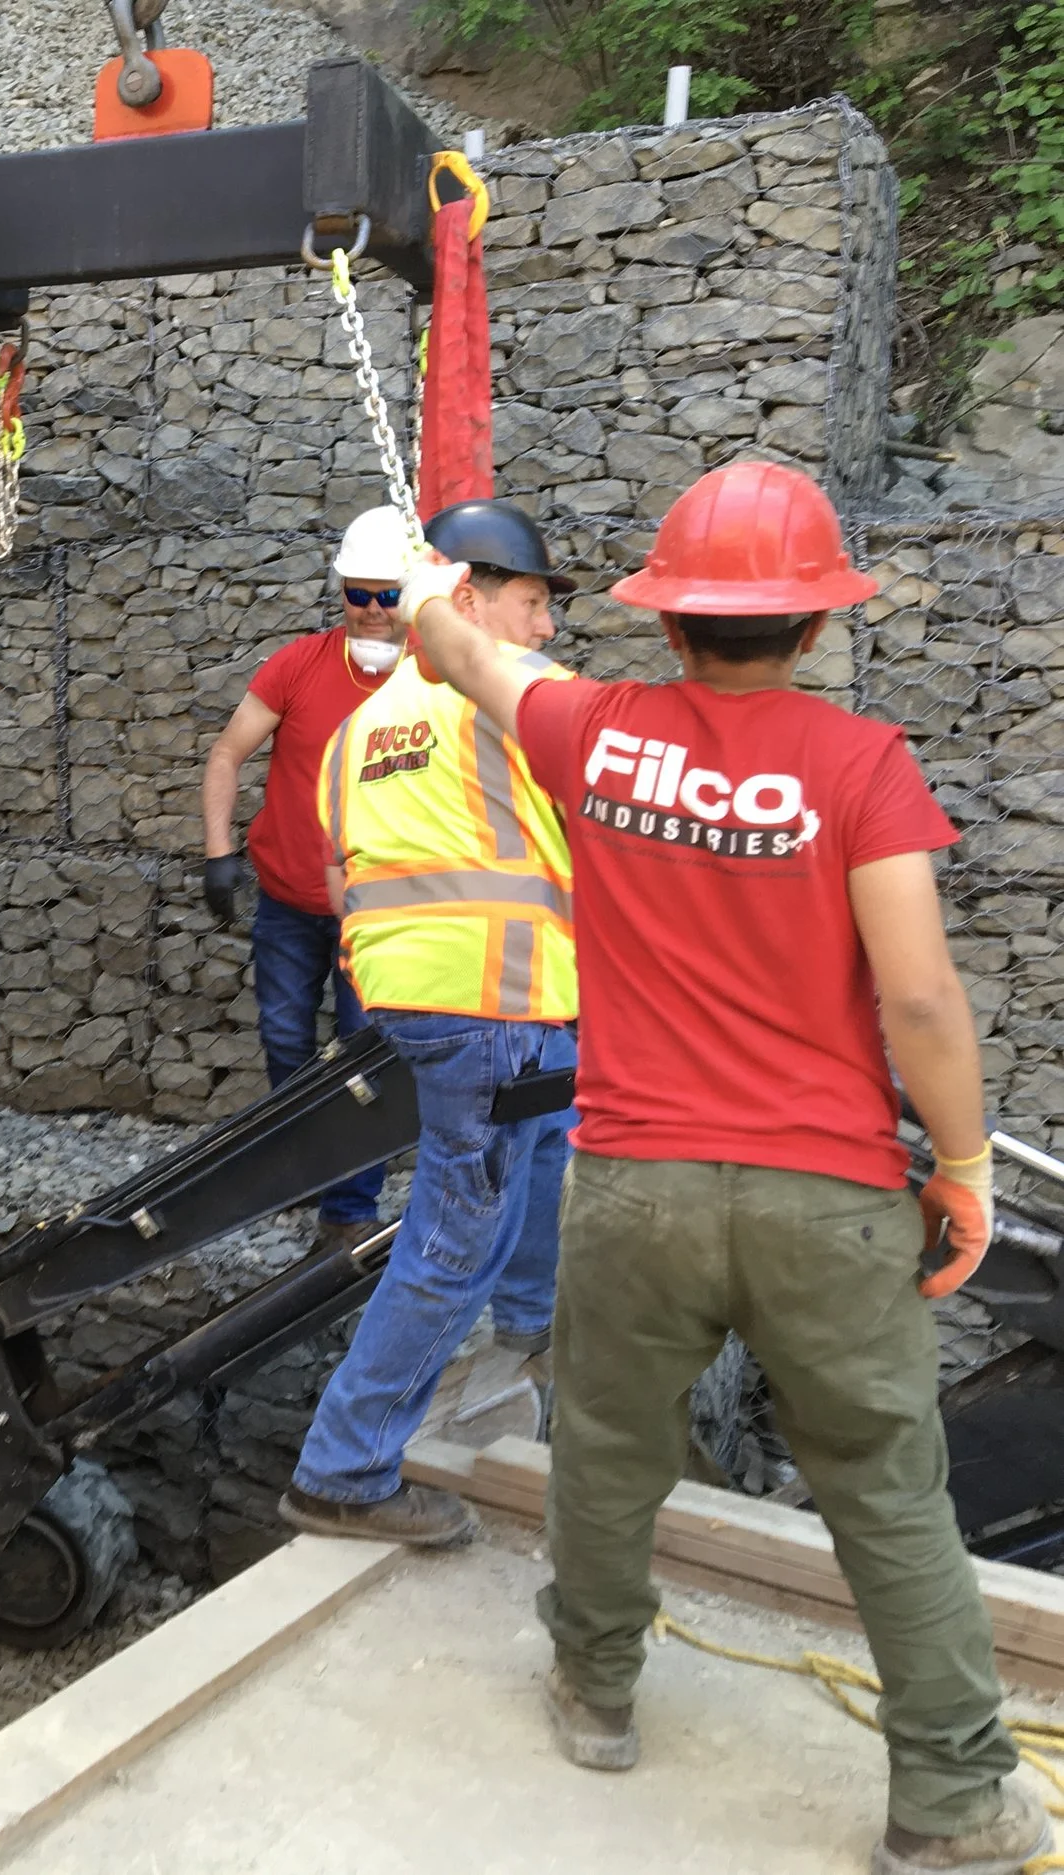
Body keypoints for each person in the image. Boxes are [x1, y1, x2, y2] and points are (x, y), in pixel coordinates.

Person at [401, 458, 1045, 1875]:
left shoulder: (594, 732)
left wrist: (433, 587)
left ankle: (596, 1686)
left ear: (669, 620)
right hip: (829, 1195)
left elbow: (457, 648)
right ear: (813, 627)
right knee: (886, 1484)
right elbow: (923, 999)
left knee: (612, 1447)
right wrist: (962, 1165)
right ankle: (949, 1797)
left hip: (635, 1182)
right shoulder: (862, 767)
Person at [278, 498, 580, 1549]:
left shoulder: (360, 729)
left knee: (538, 1150)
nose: (545, 630)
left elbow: (337, 877)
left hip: (427, 1006)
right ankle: (344, 1471)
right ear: (467, 598)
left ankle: (533, 1327)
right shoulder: (513, 698)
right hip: (498, 1001)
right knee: (455, 1237)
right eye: (533, 603)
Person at [201, 505, 409, 1253]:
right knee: (286, 1038)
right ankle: (301, 1171)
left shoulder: (428, 682)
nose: (375, 611)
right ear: (342, 591)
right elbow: (228, 753)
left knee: (364, 1055)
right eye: (362, 594)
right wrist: (218, 849)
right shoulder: (298, 665)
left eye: (390, 596)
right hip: (290, 900)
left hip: (377, 912)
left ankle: (348, 1207)